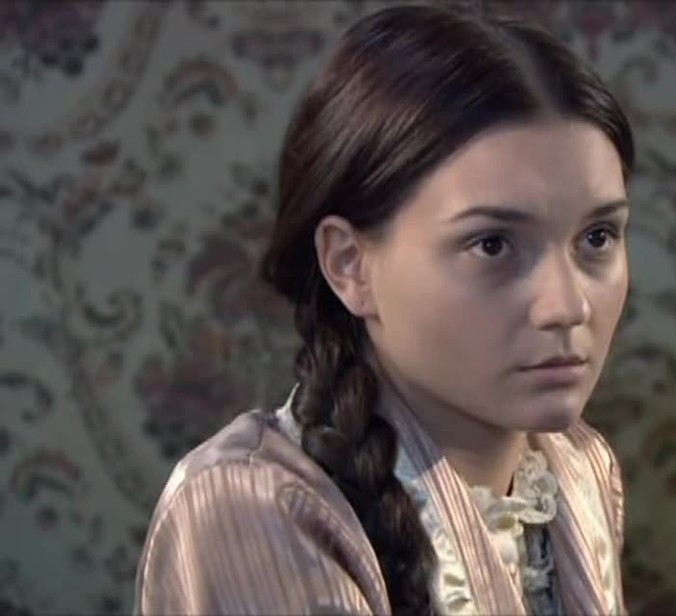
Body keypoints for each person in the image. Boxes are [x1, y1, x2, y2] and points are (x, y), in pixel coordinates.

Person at [133, 2, 635, 614]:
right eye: (492, 245)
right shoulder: (255, 505)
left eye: (598, 237)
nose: (567, 306)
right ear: (350, 264)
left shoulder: (579, 470)